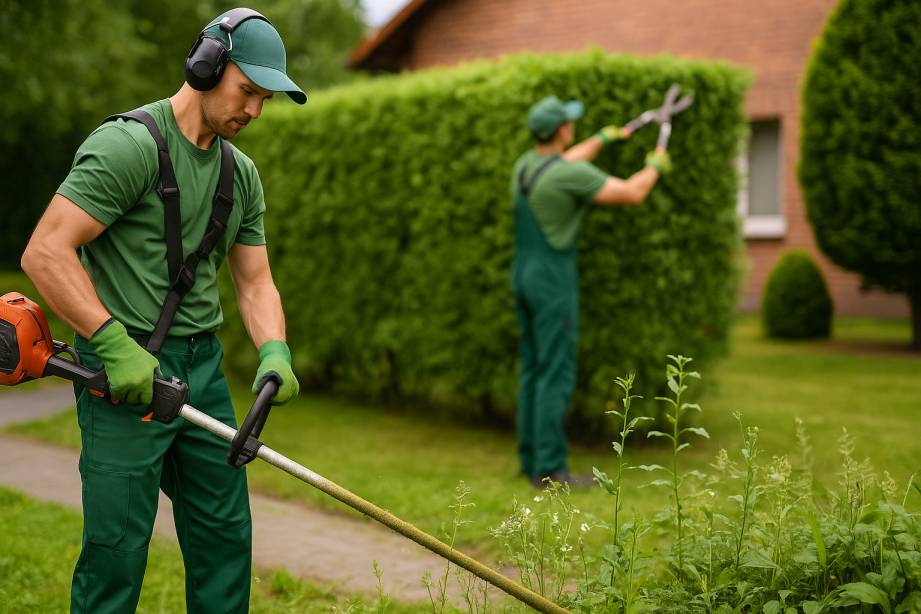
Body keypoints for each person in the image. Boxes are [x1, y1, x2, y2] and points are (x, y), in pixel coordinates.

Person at [20, 8, 305, 613]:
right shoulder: (128, 146)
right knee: (116, 551)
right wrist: (112, 343)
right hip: (121, 375)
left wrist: (274, 350)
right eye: (247, 91)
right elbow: (46, 252)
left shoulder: (241, 174)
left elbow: (255, 282)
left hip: (202, 371)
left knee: (225, 541)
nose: (254, 111)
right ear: (206, 66)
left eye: (265, 99)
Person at [511, 95, 670, 488]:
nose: (573, 126)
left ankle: (530, 459)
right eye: (570, 122)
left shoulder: (526, 166)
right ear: (562, 130)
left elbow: (563, 163)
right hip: (552, 281)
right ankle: (549, 471)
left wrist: (602, 138)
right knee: (555, 372)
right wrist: (654, 165)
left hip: (523, 273)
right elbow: (633, 192)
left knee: (533, 369)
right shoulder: (569, 176)